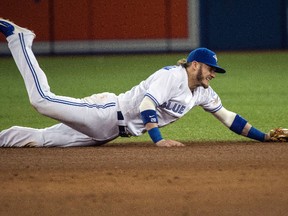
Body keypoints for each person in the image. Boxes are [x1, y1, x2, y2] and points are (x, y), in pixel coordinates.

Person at [0, 18, 271, 147]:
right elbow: (146, 104)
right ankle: (20, 40)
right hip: (104, 113)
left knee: (43, 139)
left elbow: (229, 119)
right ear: (195, 65)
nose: (213, 74)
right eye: (211, 69)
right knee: (42, 101)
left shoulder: (202, 92)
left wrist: (264, 136)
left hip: (108, 133)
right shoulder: (172, 76)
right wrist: (158, 140)